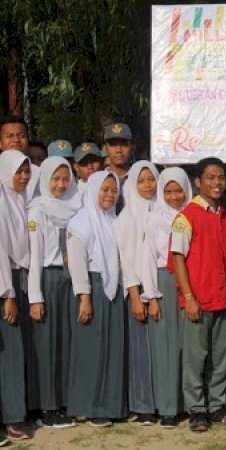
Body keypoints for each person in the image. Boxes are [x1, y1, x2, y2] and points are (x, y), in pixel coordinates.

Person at [168, 157, 226, 432]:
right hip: (198, 299)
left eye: (220, 177)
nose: (216, 182)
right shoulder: (186, 217)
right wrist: (189, 297)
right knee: (196, 358)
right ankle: (196, 409)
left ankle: (217, 405)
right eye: (210, 177)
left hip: (222, 299)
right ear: (198, 182)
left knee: (222, 355)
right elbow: (177, 259)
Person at [65, 171, 127, 427]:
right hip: (92, 289)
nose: (110, 195)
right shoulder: (80, 223)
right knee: (91, 350)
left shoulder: (114, 220)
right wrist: (85, 297)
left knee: (112, 349)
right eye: (104, 190)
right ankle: (89, 405)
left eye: (113, 190)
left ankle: (111, 404)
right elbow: (77, 265)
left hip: (113, 288)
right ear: (92, 191)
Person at [26, 156, 81, 428]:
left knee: (65, 342)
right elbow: (35, 256)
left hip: (69, 281)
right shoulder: (37, 211)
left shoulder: (74, 207)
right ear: (45, 180)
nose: (60, 185)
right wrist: (35, 296)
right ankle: (46, 406)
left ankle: (63, 400)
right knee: (46, 345)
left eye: (65, 178)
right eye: (55, 179)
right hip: (47, 277)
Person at [139, 167, 192, 428]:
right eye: (168, 191)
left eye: (178, 190)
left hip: (191, 283)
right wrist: (152, 295)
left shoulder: (194, 215)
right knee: (166, 347)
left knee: (189, 343)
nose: (174, 197)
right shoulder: (154, 219)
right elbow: (147, 258)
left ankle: (189, 403)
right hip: (164, 282)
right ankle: (168, 407)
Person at [115, 161, 160, 425]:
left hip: (159, 288)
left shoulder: (162, 210)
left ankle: (163, 400)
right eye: (141, 181)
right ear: (132, 184)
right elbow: (126, 259)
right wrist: (135, 296)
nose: (147, 185)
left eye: (151, 179)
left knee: (158, 350)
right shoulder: (127, 216)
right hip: (138, 290)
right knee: (140, 351)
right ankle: (143, 405)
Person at [0, 150, 32, 440]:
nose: (23, 177)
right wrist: (7, 293)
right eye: (18, 171)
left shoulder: (19, 200)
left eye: (26, 171)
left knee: (12, 354)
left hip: (16, 280)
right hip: (4, 284)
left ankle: (12, 417)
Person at [103, 122, 134, 212]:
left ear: (132, 148)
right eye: (113, 144)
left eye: (124, 144)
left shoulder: (141, 180)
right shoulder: (97, 182)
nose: (119, 150)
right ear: (105, 148)